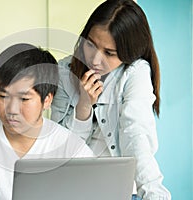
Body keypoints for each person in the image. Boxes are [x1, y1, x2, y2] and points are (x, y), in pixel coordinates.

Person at [50, 0, 171, 199]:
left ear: (128, 53)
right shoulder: (64, 72)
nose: (95, 60)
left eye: (109, 53)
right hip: (73, 189)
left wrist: (153, 192)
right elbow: (62, 154)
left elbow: (135, 134)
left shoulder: (135, 73)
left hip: (119, 191)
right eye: (90, 44)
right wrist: (83, 106)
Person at [0, 43, 94, 200]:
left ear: (47, 100)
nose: (12, 109)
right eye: (3, 96)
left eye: (24, 99)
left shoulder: (72, 150)